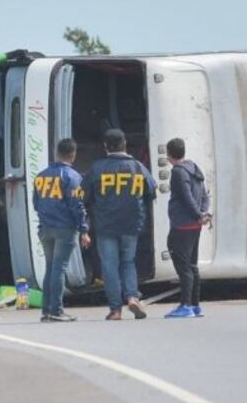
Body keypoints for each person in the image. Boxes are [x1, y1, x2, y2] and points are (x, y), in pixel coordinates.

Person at [84, 129, 157, 320]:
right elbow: (152, 191)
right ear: (125, 144)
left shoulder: (97, 168)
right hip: (131, 224)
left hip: (105, 225)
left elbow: (84, 195)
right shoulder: (138, 167)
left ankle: (115, 310)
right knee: (128, 261)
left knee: (109, 266)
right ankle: (132, 296)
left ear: (106, 146)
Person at [33, 138, 91, 322]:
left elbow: (36, 203)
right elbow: (77, 205)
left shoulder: (41, 176)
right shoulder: (74, 177)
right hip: (64, 228)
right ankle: (56, 310)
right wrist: (84, 229)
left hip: (45, 228)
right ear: (73, 155)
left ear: (57, 153)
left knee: (50, 268)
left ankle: (46, 310)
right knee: (59, 269)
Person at [163, 138, 211, 318]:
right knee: (192, 265)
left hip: (182, 224)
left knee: (183, 266)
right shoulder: (194, 168)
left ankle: (185, 305)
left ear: (169, 154)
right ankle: (196, 305)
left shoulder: (178, 172)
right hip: (195, 226)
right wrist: (203, 213)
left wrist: (198, 214)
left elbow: (186, 197)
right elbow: (204, 196)